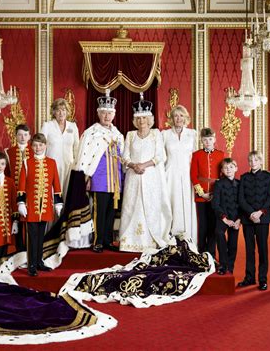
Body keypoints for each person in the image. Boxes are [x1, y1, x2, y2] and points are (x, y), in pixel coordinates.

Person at [119, 94, 172, 253]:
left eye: (144, 118)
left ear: (150, 119)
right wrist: (134, 165)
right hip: (133, 177)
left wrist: (144, 165)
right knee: (131, 207)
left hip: (150, 177)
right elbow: (124, 157)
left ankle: (150, 240)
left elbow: (160, 156)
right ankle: (129, 242)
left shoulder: (156, 134)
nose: (142, 121)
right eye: (139, 118)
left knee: (150, 206)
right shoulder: (130, 135)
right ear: (135, 120)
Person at [75, 89, 124, 253]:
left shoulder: (118, 134)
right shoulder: (91, 133)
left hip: (114, 179)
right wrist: (85, 177)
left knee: (111, 211)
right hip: (99, 179)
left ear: (114, 114)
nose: (107, 116)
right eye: (104, 113)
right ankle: (97, 241)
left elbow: (122, 157)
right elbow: (85, 155)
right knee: (99, 211)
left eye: (109, 113)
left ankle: (108, 240)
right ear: (98, 114)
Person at [17, 133, 63, 276]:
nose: (38, 148)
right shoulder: (26, 163)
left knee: (41, 236)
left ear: (45, 146)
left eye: (41, 145)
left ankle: (39, 261)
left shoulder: (52, 162)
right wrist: (21, 203)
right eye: (35, 145)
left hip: (45, 207)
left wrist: (58, 204)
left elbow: (56, 184)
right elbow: (21, 185)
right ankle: (31, 264)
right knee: (32, 236)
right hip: (30, 207)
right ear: (31, 147)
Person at [238, 151, 270, 290]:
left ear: (260, 162)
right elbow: (241, 199)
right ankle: (249, 277)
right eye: (250, 160)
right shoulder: (244, 178)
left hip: (263, 218)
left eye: (256, 160)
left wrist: (259, 213)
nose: (253, 162)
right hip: (248, 218)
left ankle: (263, 279)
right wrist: (251, 213)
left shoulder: (268, 177)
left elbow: (269, 198)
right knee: (249, 249)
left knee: (262, 249)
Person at [162, 105, 198, 243]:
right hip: (169, 174)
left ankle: (187, 236)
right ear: (172, 118)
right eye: (176, 116)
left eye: (181, 115)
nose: (179, 118)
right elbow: (161, 156)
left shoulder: (192, 134)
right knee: (171, 202)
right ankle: (170, 235)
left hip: (187, 173)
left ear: (186, 118)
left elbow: (194, 157)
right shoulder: (164, 134)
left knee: (186, 203)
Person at [190, 128, 224, 256]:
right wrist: (201, 193)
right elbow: (194, 176)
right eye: (205, 140)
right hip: (201, 196)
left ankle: (211, 253)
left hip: (215, 196)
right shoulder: (196, 155)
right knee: (202, 225)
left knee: (214, 225)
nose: (208, 142)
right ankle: (201, 251)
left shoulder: (221, 154)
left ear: (214, 139)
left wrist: (215, 193)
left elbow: (222, 175)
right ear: (201, 141)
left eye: (210, 139)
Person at [41, 98, 80, 195]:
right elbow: (41, 146)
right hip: (51, 165)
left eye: (63, 110)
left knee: (68, 194)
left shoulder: (73, 126)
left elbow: (77, 148)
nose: (61, 113)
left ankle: (65, 211)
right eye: (58, 110)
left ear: (67, 112)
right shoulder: (47, 126)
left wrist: (77, 164)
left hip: (69, 166)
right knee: (53, 193)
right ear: (53, 112)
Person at [5, 124, 33, 252]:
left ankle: (29, 249)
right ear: (15, 136)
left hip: (31, 193)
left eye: (25, 135)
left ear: (29, 136)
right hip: (14, 193)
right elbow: (6, 175)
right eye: (20, 134)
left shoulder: (34, 151)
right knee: (16, 221)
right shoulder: (9, 152)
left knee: (29, 221)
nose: (23, 137)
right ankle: (19, 249)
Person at [212, 158, 240, 275]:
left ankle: (230, 265)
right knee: (219, 233)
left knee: (233, 243)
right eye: (225, 168)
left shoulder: (239, 184)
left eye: (231, 167)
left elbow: (242, 203)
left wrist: (239, 220)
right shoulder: (218, 184)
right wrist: (224, 218)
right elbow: (215, 204)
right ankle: (223, 264)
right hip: (222, 216)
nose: (228, 169)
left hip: (236, 218)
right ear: (222, 170)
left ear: (236, 168)